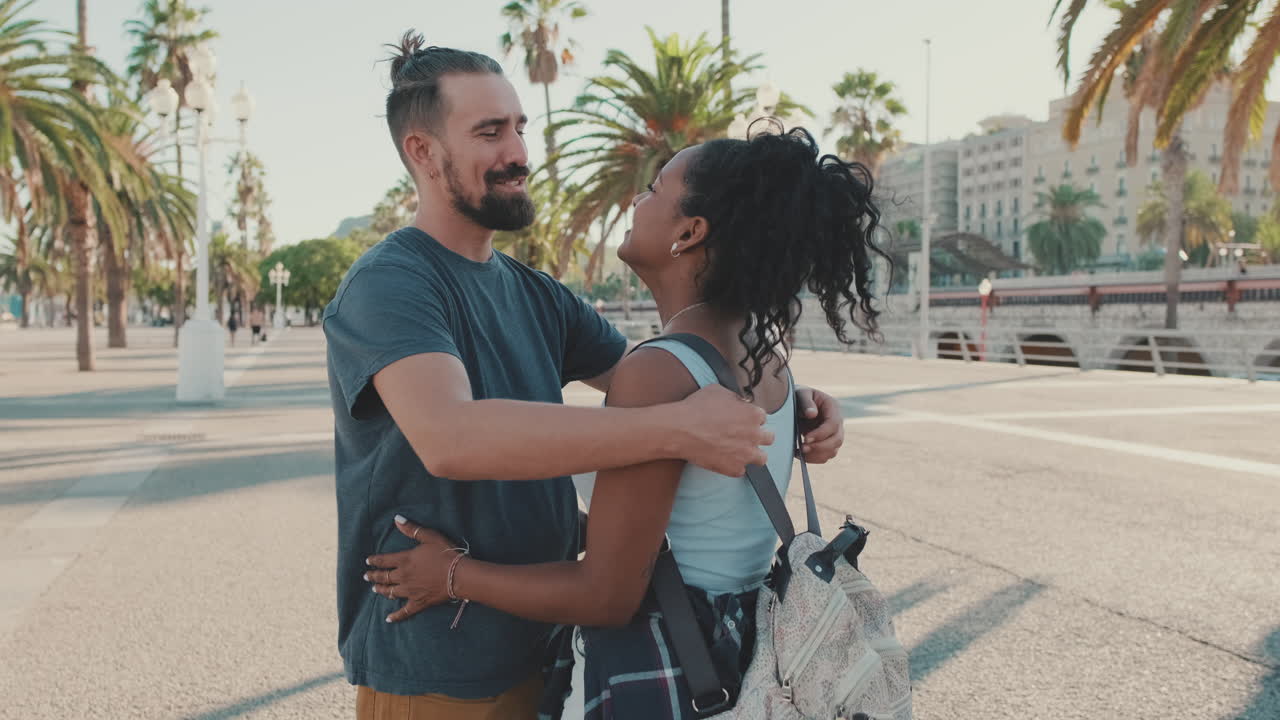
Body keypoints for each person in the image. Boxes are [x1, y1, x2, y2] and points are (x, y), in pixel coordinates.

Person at [320, 34, 848, 720]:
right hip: (441, 662)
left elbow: (671, 375)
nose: (519, 152)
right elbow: (449, 437)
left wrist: (787, 403)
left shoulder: (536, 293)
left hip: (547, 649)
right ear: (422, 151)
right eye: (489, 132)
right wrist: (676, 429)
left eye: (520, 127)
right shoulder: (392, 283)